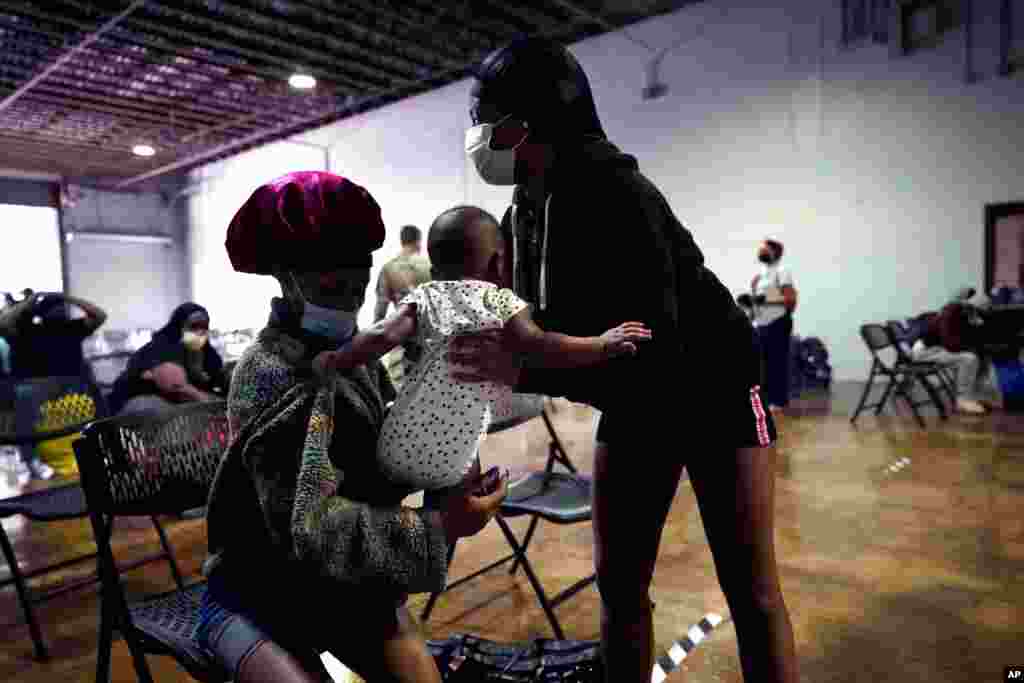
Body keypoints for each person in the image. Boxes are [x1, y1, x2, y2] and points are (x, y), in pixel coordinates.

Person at [462, 37, 799, 683]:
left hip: (712, 388)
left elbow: (652, 351)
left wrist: (525, 367)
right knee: (619, 586)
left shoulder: (618, 193)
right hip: (633, 400)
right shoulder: (526, 207)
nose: (480, 137)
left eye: (492, 119)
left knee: (751, 591)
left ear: (535, 119)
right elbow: (542, 326)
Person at [199, 171, 515, 683]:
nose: (348, 283)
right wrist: (443, 525)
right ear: (285, 272)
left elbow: (377, 467)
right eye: (327, 267)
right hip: (256, 594)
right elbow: (309, 529)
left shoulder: (358, 361)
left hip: (347, 588)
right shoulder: (268, 372)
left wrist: (445, 460)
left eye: (359, 264)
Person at [313, 205, 651, 495]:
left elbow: (382, 333)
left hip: (395, 446)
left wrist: (336, 359)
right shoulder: (501, 301)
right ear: (498, 264)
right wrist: (600, 344)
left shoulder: (427, 295)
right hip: (454, 460)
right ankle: (452, 513)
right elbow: (544, 345)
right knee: (464, 449)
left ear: (434, 269)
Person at [2, 291, 107, 479]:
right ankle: (31, 460)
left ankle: (106, 444)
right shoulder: (27, 330)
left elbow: (99, 315)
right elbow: (3, 323)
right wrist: (31, 302)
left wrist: (68, 298)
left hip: (71, 383)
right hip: (39, 387)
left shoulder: (70, 328)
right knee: (24, 397)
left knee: (93, 388)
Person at [107, 303, 227, 415]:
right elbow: (178, 388)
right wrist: (210, 404)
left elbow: (218, 379)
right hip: (140, 406)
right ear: (179, 327)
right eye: (194, 326)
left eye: (204, 327)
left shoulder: (207, 354)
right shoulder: (160, 350)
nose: (200, 332)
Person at [911, 288, 993, 414]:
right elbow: (949, 343)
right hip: (925, 351)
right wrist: (971, 348)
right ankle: (963, 401)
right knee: (969, 359)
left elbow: (970, 340)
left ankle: (973, 396)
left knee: (982, 357)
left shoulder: (966, 314)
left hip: (938, 349)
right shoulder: (950, 312)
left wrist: (976, 328)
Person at [374, 224, 433, 381]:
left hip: (401, 341)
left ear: (402, 241)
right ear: (418, 241)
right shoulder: (430, 267)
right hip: (431, 343)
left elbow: (380, 313)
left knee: (401, 394)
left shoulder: (389, 268)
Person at [751, 239, 797, 413]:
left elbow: (790, 301)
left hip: (778, 323)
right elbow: (757, 302)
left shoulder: (782, 271)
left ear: (775, 253)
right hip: (760, 324)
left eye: (765, 249)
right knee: (762, 364)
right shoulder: (758, 277)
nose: (761, 251)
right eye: (761, 249)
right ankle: (766, 399)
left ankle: (779, 401)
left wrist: (768, 301)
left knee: (777, 362)